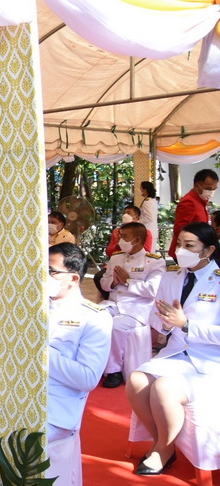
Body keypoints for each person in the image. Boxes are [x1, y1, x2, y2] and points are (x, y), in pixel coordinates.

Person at [0, 243, 112, 484]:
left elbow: (87, 378)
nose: (43, 276)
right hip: (14, 396)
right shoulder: (31, 306)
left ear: (73, 278)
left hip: (54, 407)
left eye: (51, 271)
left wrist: (39, 349)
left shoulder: (94, 318)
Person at [126, 222, 220, 476]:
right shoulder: (172, 276)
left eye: (189, 245)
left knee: (164, 387)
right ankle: (163, 443)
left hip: (211, 361)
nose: (181, 250)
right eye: (179, 244)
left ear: (209, 250)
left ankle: (163, 450)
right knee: (136, 381)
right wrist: (166, 325)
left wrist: (187, 325)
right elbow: (155, 315)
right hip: (176, 353)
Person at [99, 222, 165, 388]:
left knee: (116, 326)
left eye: (125, 237)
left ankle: (114, 371)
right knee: (94, 320)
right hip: (113, 304)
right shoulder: (116, 258)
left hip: (135, 309)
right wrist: (114, 282)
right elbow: (103, 283)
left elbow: (152, 290)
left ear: (137, 239)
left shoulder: (154, 262)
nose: (120, 240)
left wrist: (128, 281)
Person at [168, 169, 218, 259]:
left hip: (197, 250)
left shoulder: (201, 201)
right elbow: (179, 229)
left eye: (214, 189)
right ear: (197, 186)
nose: (211, 192)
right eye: (209, 189)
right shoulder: (189, 202)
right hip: (187, 252)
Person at [139, 181, 159, 251]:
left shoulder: (147, 202)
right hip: (152, 231)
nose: (139, 190)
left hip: (148, 231)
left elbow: (149, 217)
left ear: (144, 190)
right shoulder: (152, 200)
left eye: (140, 188)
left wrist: (138, 221)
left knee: (147, 253)